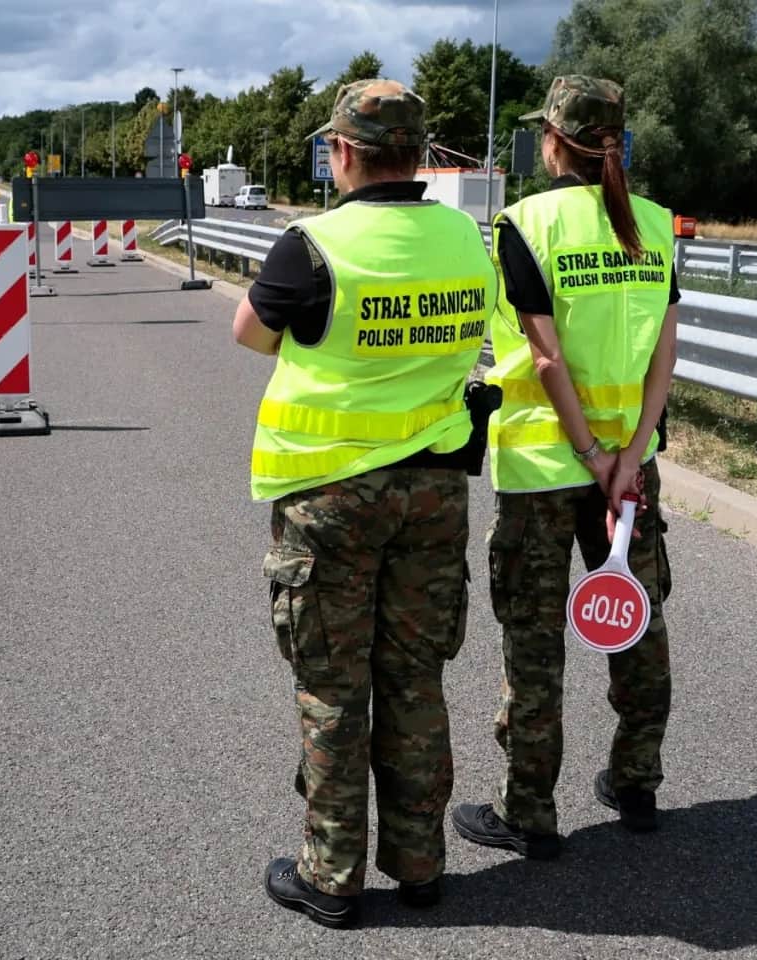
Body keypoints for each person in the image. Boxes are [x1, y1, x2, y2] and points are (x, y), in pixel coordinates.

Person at [231, 78, 497, 929]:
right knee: (415, 676)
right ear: (419, 157)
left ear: (342, 152)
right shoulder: (463, 236)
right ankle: (421, 865)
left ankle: (333, 874)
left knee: (335, 687)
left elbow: (251, 332)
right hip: (434, 492)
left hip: (332, 500)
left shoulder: (311, 244)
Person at [451, 75, 679, 858]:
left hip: (549, 467)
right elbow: (664, 357)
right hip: (629, 470)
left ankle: (530, 814)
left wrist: (587, 453)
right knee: (635, 622)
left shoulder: (525, 222)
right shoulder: (652, 222)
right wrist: (627, 458)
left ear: (552, 141)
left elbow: (546, 361)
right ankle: (637, 781)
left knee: (535, 640)